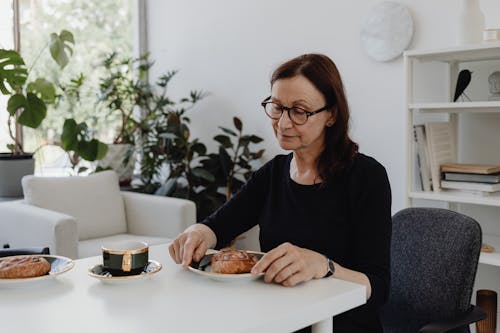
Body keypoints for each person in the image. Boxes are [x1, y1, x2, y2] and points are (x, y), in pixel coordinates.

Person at [169, 53, 392, 333]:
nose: (283, 123)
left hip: (341, 325)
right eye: (277, 107)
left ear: (332, 114)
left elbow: (379, 286)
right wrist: (199, 232)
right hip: (280, 320)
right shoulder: (273, 173)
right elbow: (218, 225)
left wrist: (324, 266)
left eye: (300, 111)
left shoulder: (367, 177)